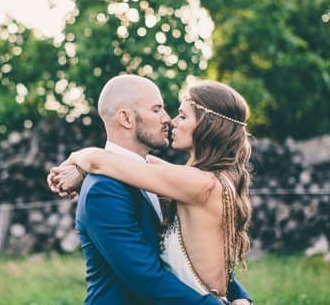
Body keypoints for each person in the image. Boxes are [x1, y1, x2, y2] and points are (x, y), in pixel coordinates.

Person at [47, 75, 252, 304]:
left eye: (180, 115)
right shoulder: (104, 189)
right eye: (157, 110)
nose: (169, 120)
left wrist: (80, 157)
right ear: (125, 118)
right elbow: (146, 279)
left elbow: (200, 255)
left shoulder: (178, 180)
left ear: (207, 127)